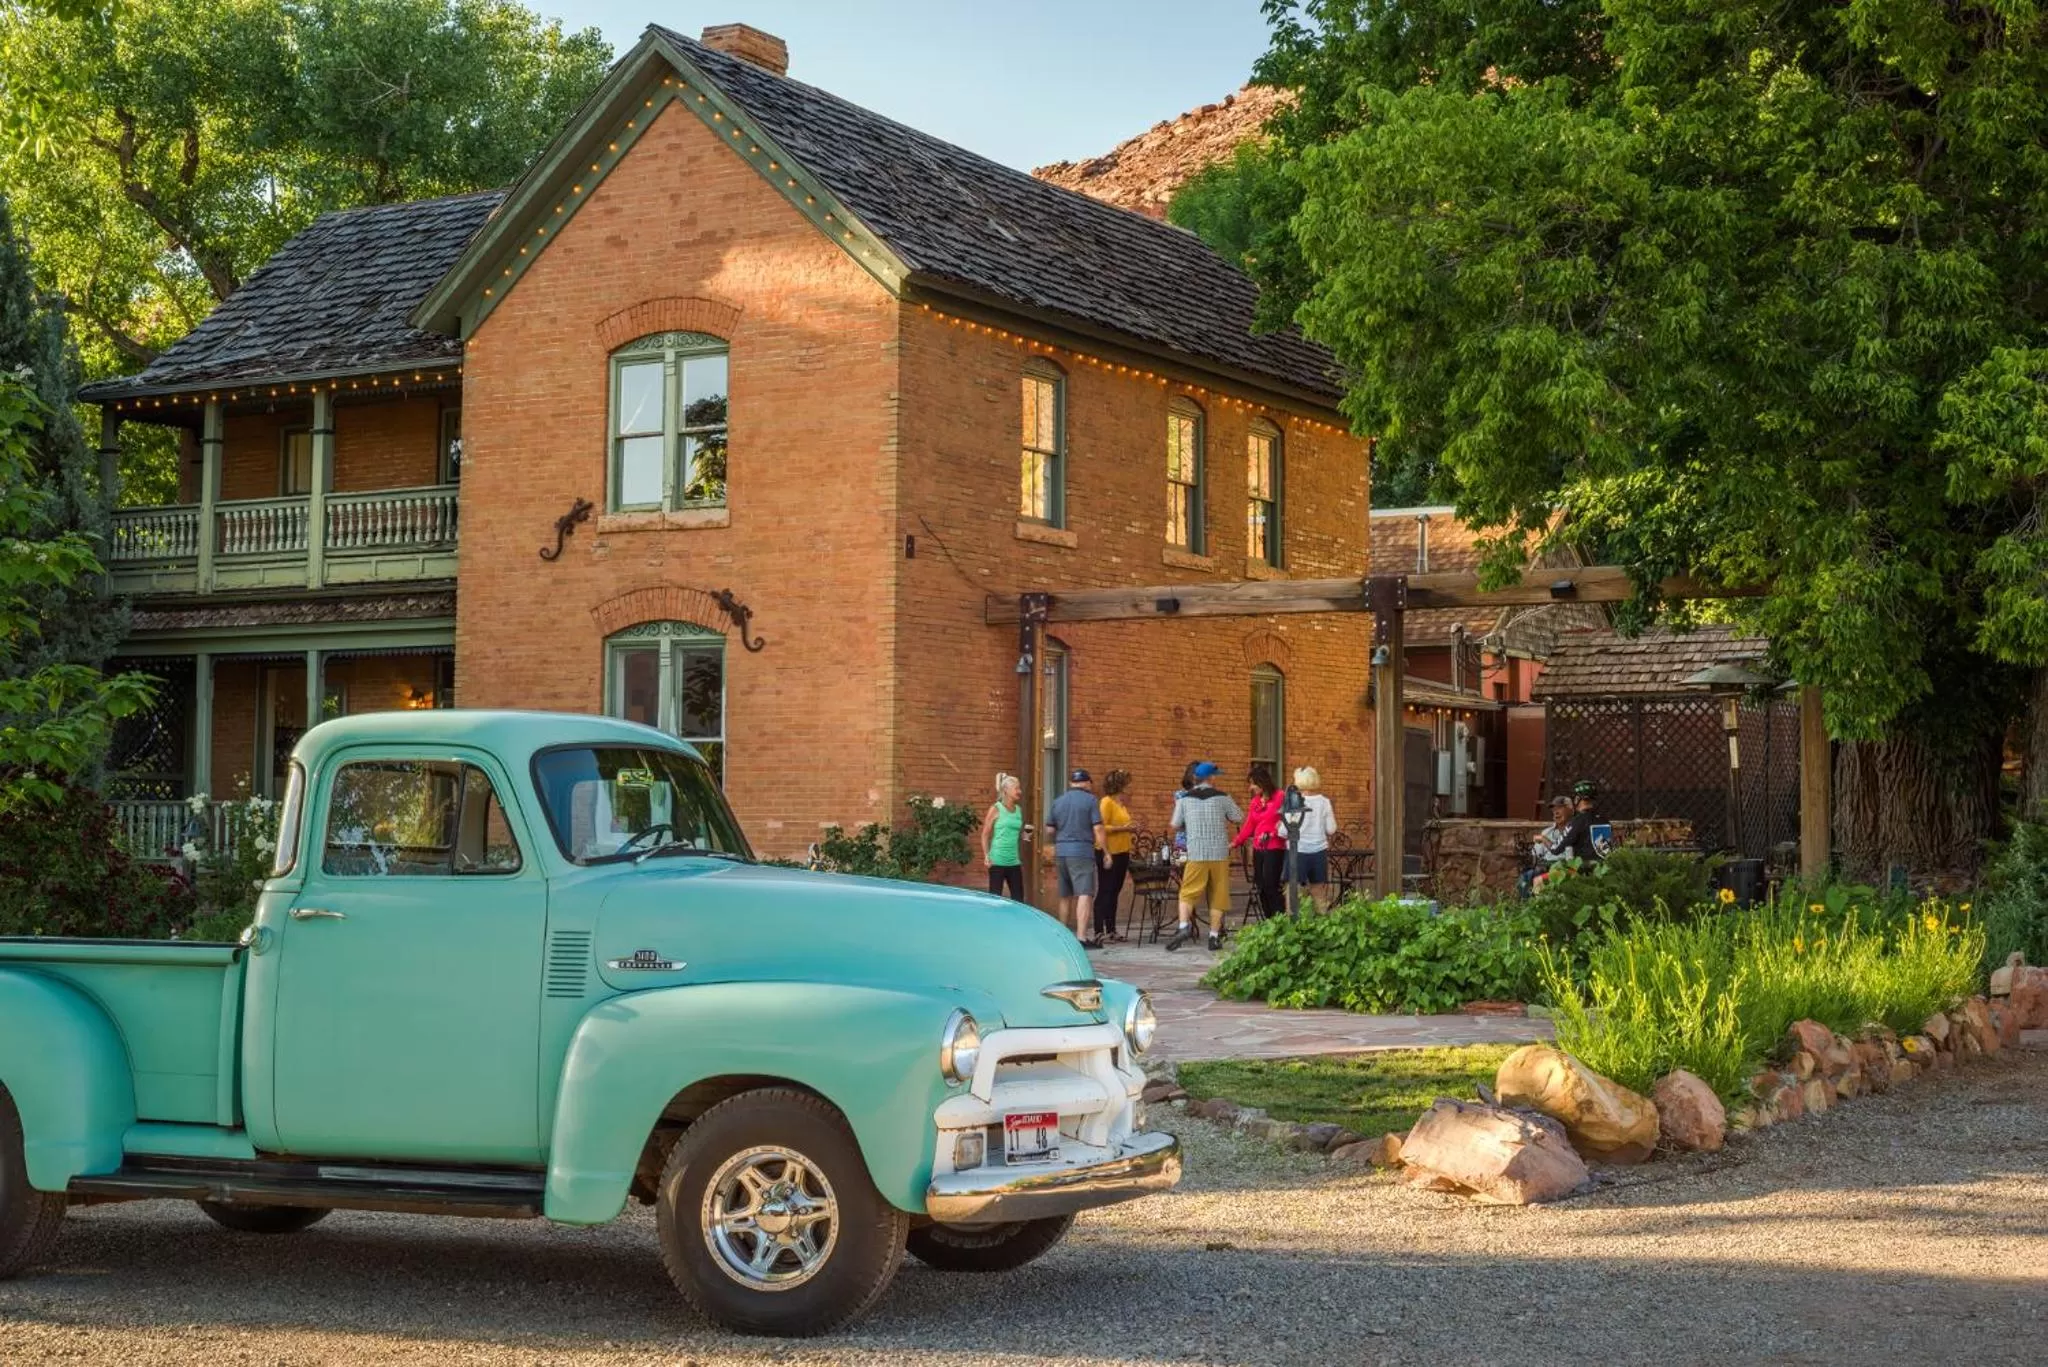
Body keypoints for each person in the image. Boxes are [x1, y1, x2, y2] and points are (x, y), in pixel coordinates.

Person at [1166, 761, 1243, 952]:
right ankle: (1214, 937)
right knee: (1218, 894)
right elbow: (1238, 817)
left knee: (1187, 892)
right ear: (1211, 778)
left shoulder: (1184, 799)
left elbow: (1175, 824)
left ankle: (1184, 927)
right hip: (1218, 852)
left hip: (1196, 852)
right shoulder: (1223, 797)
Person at [1044, 768, 1106, 948]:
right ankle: (1081, 937)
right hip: (1082, 852)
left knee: (1065, 895)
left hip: (1061, 851)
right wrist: (1106, 852)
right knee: (1084, 894)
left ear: (1071, 783)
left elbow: (1049, 829)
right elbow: (1098, 828)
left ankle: (1063, 936)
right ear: (1087, 783)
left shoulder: (1058, 801)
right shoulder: (1091, 800)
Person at [1233, 763, 1286, 920]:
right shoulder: (1255, 802)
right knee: (1261, 887)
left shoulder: (1280, 797)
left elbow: (1288, 820)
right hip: (1259, 849)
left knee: (1271, 885)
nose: (1251, 787)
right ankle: (1268, 921)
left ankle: (1280, 920)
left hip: (1275, 848)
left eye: (1253, 783)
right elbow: (1249, 825)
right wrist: (1236, 842)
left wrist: (1275, 832)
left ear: (1262, 783)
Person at [1095, 769, 1135, 941]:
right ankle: (1098, 929)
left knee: (1115, 891)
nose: (1130, 787)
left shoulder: (1121, 804)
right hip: (1108, 852)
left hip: (1122, 852)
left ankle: (1111, 929)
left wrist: (1131, 828)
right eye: (1127, 783)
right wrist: (1125, 828)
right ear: (1120, 785)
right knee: (1105, 889)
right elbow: (1102, 826)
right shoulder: (1106, 802)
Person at [1291, 766, 1338, 910]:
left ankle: (1292, 926)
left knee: (1293, 892)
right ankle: (1322, 925)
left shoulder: (1294, 801)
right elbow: (1331, 829)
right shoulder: (1324, 802)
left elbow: (1283, 831)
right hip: (1318, 851)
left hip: (1297, 850)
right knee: (1318, 891)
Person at [981, 773, 1027, 900]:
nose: (1019, 791)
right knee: (995, 900)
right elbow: (985, 835)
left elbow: (1022, 837)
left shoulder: (1018, 810)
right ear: (1006, 790)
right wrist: (986, 856)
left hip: (1014, 861)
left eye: (1019, 788)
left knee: (1018, 899)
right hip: (997, 861)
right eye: (1016, 788)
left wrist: (1028, 834)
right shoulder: (996, 808)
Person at [1522, 795, 1575, 895]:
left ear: (1570, 810)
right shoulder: (1546, 832)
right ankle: (1525, 907)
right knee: (1526, 877)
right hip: (1544, 867)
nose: (1556, 812)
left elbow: (1572, 861)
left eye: (1560, 808)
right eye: (1554, 809)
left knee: (1535, 876)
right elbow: (1536, 856)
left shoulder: (1574, 831)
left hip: (1563, 868)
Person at [1563, 779, 1603, 863]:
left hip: (1581, 870)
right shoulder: (1604, 819)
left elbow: (1559, 849)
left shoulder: (1576, 821)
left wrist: (1543, 839)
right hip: (1601, 868)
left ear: (1577, 799)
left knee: (1537, 877)